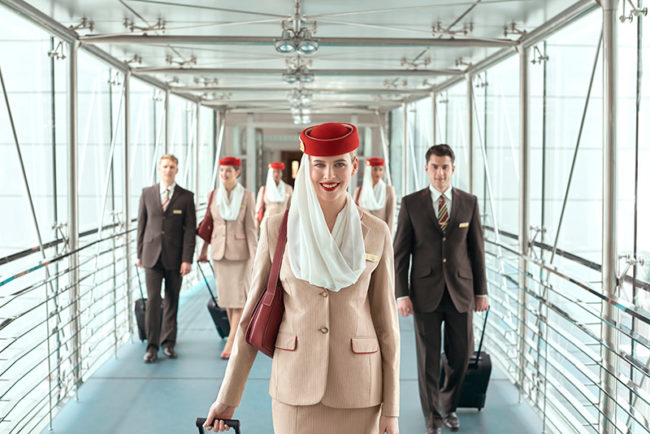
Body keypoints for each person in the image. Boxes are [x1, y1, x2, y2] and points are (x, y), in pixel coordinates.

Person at [203, 123, 400, 434]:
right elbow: (249, 320)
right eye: (319, 164)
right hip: (295, 385)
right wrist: (227, 398)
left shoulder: (376, 232)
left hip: (360, 388)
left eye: (339, 164)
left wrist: (392, 410)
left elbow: (387, 326)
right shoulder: (276, 228)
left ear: (354, 166)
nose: (329, 175)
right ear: (307, 167)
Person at [393, 144, 488, 434]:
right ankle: (433, 418)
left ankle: (449, 406)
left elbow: (477, 251)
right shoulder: (411, 204)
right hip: (424, 294)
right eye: (434, 167)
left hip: (461, 292)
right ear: (426, 169)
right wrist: (401, 294)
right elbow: (400, 254)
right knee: (428, 360)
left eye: (445, 167)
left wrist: (481, 292)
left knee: (461, 356)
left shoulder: (469, 202)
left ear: (452, 169)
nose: (440, 173)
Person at [136, 154, 196, 363]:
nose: (168, 170)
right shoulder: (147, 193)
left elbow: (190, 231)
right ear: (159, 169)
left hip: (175, 257)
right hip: (151, 256)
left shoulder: (186, 197)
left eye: (171, 167)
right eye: (165, 166)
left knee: (172, 300)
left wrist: (187, 259)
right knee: (153, 300)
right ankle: (152, 346)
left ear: (177, 170)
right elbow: (141, 225)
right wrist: (139, 254)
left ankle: (168, 343)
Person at [198, 156, 257, 359]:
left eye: (228, 171)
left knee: (240, 298)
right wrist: (203, 250)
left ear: (237, 173)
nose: (224, 174)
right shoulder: (213, 195)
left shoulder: (247, 196)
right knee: (228, 300)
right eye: (222, 171)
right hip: (219, 253)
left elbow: (251, 228)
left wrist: (256, 257)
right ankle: (237, 338)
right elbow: (209, 225)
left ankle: (231, 342)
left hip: (241, 254)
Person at [353, 157, 396, 234]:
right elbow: (353, 215)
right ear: (368, 170)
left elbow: (391, 217)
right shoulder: (359, 191)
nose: (378, 173)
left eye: (380, 169)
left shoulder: (388, 190)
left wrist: (389, 237)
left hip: (381, 235)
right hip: (362, 235)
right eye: (375, 169)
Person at [255, 161, 293, 226]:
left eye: (278, 172)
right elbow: (258, 209)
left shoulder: (288, 189)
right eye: (274, 172)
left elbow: (291, 208)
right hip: (268, 222)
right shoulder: (264, 189)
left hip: (283, 223)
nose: (276, 174)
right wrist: (256, 226)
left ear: (281, 173)